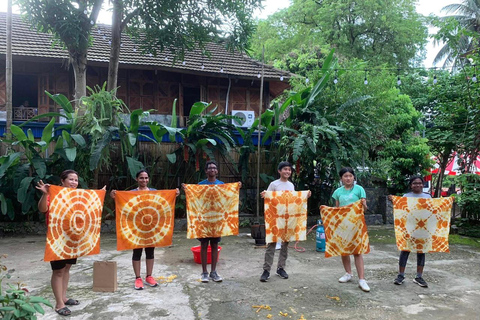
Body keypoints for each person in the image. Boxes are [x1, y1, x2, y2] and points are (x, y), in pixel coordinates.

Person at [110, 169, 180, 290]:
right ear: (136, 179)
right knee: (137, 253)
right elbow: (125, 206)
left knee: (150, 252)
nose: (144, 180)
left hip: (151, 228)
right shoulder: (131, 193)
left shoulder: (154, 192)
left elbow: (161, 205)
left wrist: (175, 194)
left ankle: (149, 276)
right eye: (141, 178)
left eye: (146, 178)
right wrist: (114, 196)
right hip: (136, 228)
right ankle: (137, 278)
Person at [36, 170, 81, 316]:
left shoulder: (77, 196)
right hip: (57, 238)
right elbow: (43, 209)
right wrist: (45, 194)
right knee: (58, 271)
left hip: (72, 238)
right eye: (71, 179)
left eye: (76, 180)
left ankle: (64, 297)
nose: (74, 182)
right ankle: (59, 304)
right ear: (62, 181)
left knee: (67, 268)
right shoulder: (53, 193)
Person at [259, 161, 311, 282]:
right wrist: (264, 195)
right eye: (285, 169)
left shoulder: (291, 185)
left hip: (288, 218)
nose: (287, 171)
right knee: (271, 243)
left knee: (285, 244)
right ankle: (266, 270)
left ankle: (281, 268)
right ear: (279, 171)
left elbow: (294, 200)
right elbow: (269, 198)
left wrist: (305, 196)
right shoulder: (274, 184)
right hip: (275, 217)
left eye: (289, 170)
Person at [332, 167, 370, 292]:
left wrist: (364, 204)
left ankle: (362, 279)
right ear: (341, 178)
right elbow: (337, 210)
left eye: (350, 176)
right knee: (344, 250)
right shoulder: (337, 192)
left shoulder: (359, 190)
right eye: (345, 176)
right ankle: (348, 273)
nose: (348, 178)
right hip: (343, 225)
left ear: (354, 177)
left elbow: (364, 210)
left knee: (357, 251)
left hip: (357, 224)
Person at [389, 175, 431, 288]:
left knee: (421, 252)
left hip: (423, 228)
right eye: (414, 183)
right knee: (405, 250)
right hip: (409, 228)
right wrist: (394, 201)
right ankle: (401, 275)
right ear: (411, 185)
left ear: (423, 184)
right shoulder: (406, 196)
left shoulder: (428, 197)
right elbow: (402, 209)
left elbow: (432, 211)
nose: (417, 185)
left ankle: (419, 276)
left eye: (419, 183)